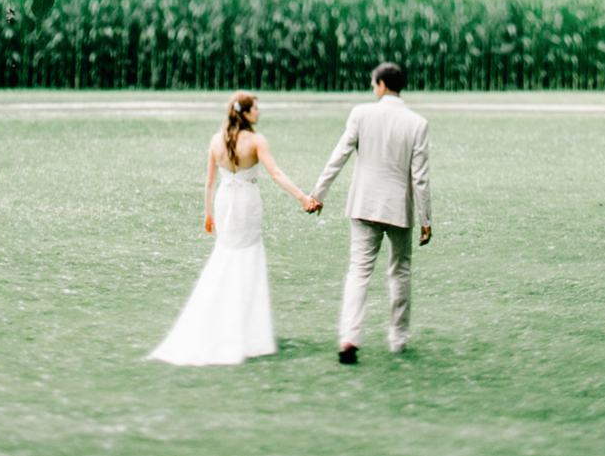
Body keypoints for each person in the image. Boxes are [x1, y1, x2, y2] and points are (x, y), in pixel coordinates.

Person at [149, 90, 317, 366]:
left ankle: (222, 320)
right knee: (247, 256)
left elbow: (209, 181)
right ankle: (248, 329)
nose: (260, 113)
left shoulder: (217, 140)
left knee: (226, 255)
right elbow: (275, 173)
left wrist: (208, 214)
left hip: (225, 202)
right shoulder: (256, 141)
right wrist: (302, 197)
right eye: (256, 109)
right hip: (247, 202)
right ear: (246, 113)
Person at [309, 61, 431, 363]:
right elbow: (420, 177)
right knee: (400, 271)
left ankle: (350, 337)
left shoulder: (361, 113)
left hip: (364, 205)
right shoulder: (417, 123)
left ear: (381, 85)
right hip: (399, 208)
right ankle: (397, 339)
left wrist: (318, 194)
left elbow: (339, 156)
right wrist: (426, 220)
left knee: (359, 271)